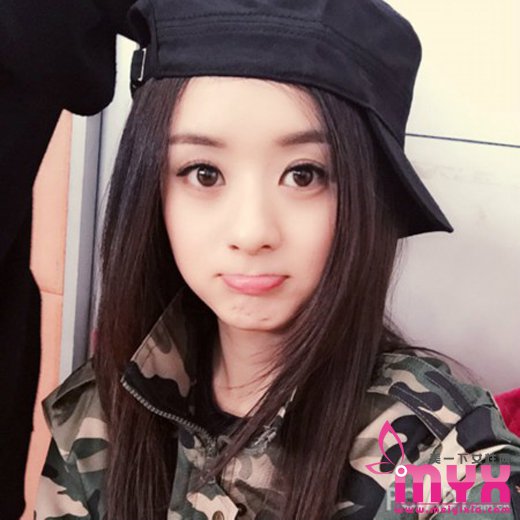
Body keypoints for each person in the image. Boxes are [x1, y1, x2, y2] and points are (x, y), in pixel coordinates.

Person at [33, 0, 520, 519]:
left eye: (304, 175)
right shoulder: (103, 412)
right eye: (204, 173)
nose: (252, 233)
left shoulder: (438, 453)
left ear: (367, 195)